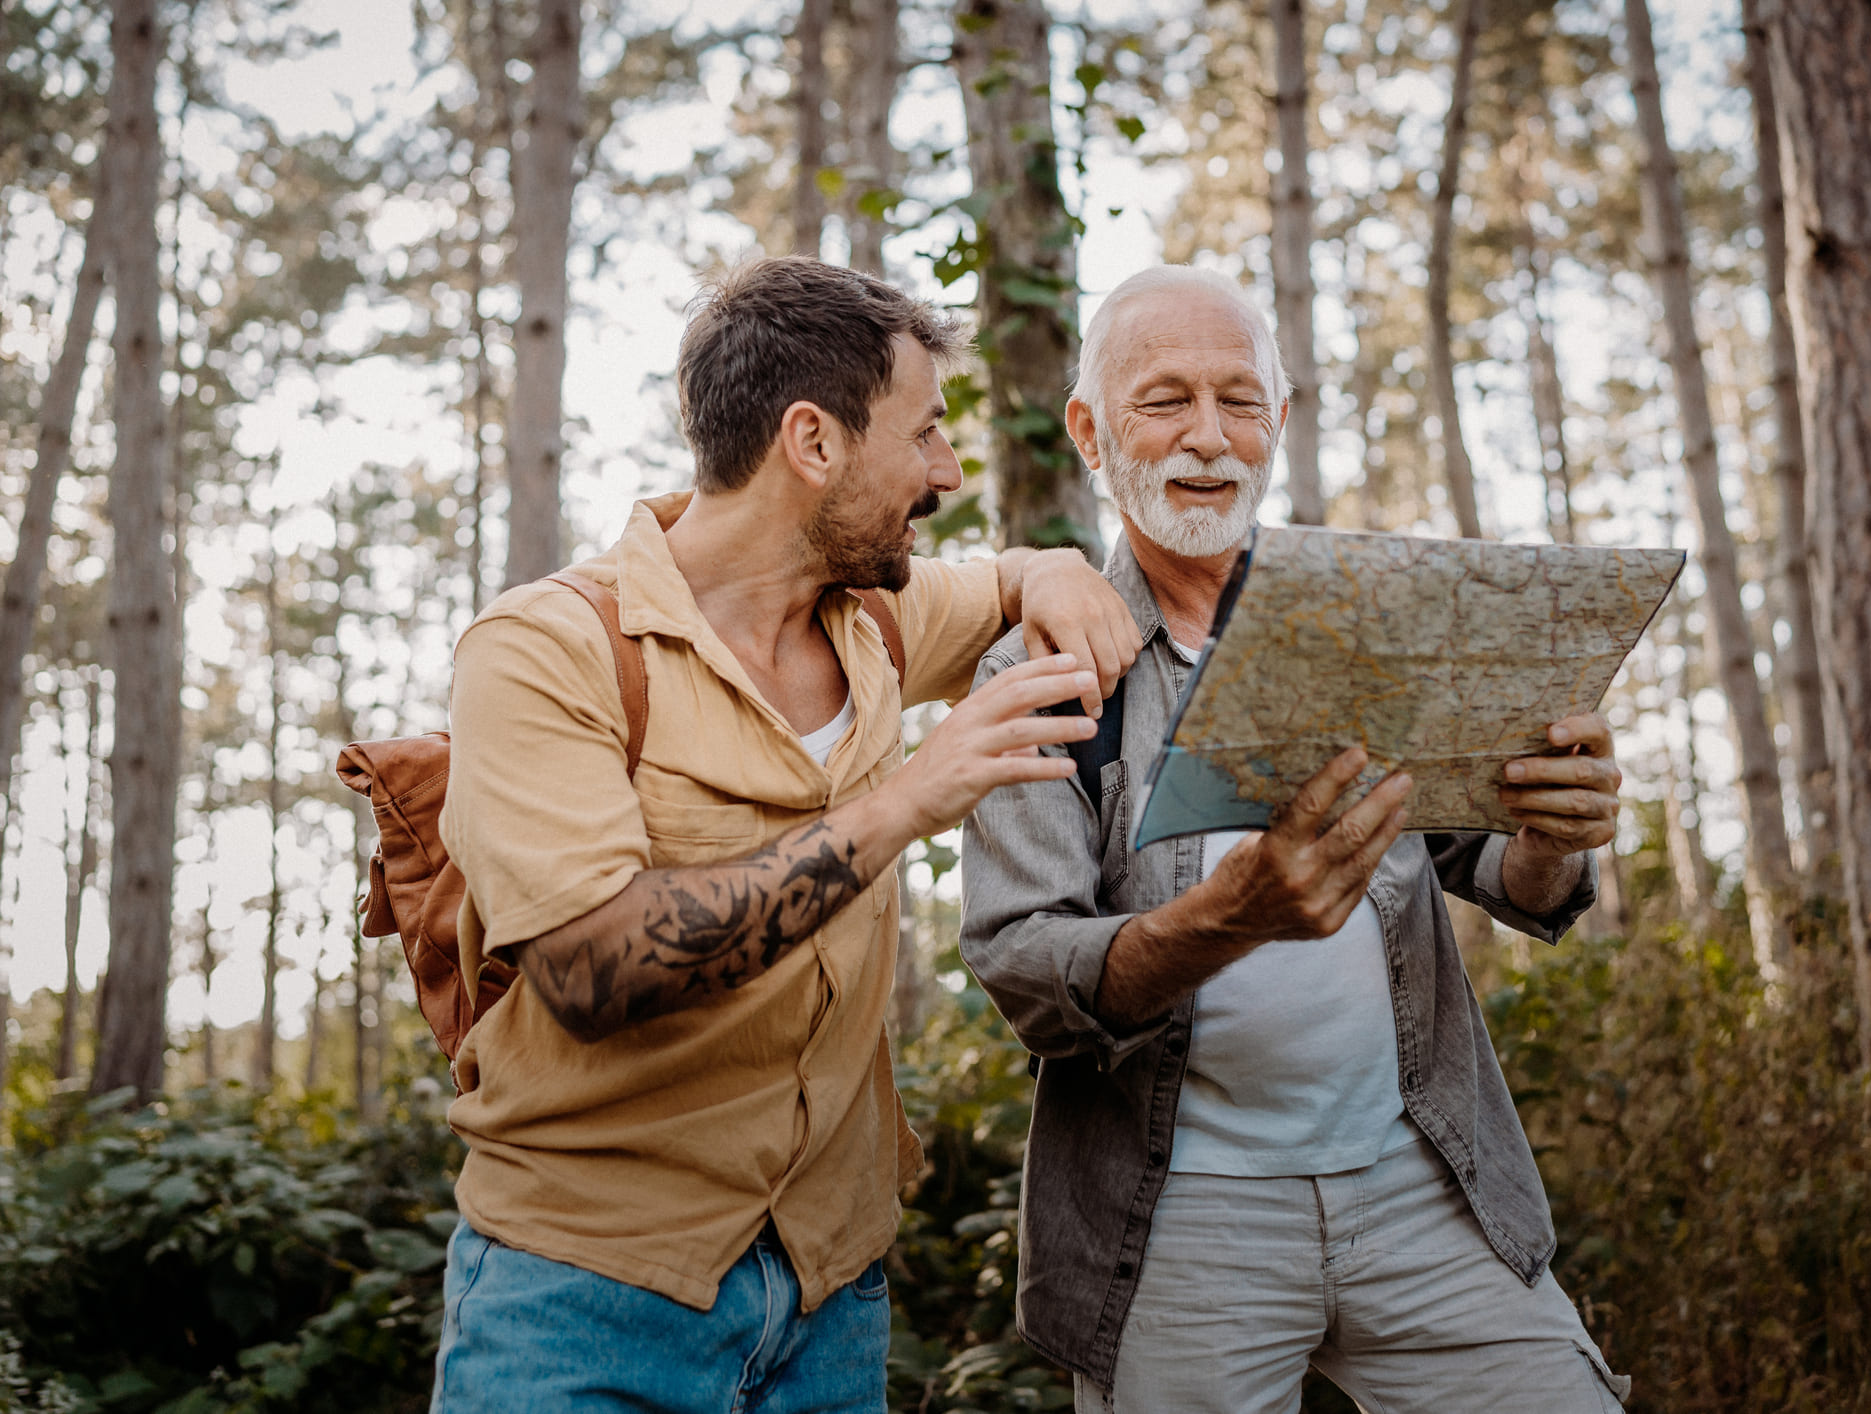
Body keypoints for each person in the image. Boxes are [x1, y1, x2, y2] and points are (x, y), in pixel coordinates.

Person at [430, 256, 1140, 1413]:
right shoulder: (541, 649)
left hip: (832, 1300)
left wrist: (1054, 570)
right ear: (813, 443)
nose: (948, 473)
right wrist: (911, 795)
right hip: (581, 1303)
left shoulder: (880, 615)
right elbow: (589, 968)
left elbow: (1010, 575)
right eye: (923, 436)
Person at [960, 265, 1633, 1413]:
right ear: (1087, 428)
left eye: (1241, 399)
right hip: (1176, 1219)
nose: (1210, 439)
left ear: (1284, 417)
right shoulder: (1043, 675)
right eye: (1164, 399)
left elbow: (1499, 867)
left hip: (1421, 1180)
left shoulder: (1379, 619)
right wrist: (1228, 920)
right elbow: (1027, 970)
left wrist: (1554, 833)